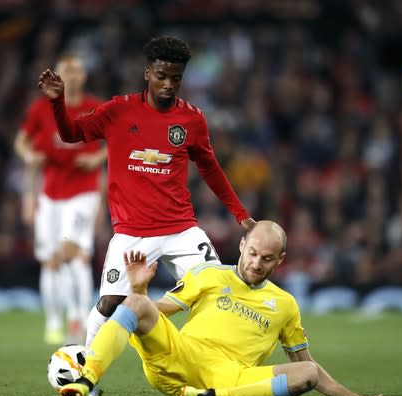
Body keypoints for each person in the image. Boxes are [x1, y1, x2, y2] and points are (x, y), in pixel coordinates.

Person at [38, 36, 254, 367]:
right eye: (162, 77)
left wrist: (240, 214)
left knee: (218, 292)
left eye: (176, 79)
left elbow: (211, 169)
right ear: (147, 73)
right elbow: (71, 135)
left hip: (182, 229)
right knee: (110, 303)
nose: (169, 85)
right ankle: (87, 372)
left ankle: (218, 363)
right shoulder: (118, 111)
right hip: (132, 232)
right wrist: (58, 102)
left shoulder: (192, 120)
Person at [58, 221, 402, 396]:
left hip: (232, 378)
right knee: (134, 305)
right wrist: (139, 290)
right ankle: (87, 379)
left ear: (279, 260)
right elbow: (155, 312)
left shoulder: (285, 304)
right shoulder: (208, 274)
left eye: (267, 258)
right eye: (252, 252)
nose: (256, 263)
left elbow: (306, 363)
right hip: (180, 358)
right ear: (242, 245)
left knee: (307, 373)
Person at [16, 54, 106, 345]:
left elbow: (119, 142)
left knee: (77, 255)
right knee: (50, 261)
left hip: (83, 193)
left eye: (77, 71)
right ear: (59, 76)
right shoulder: (41, 109)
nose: (73, 75)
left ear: (84, 76)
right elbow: (23, 143)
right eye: (67, 70)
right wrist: (29, 191)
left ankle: (78, 316)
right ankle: (53, 321)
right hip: (50, 196)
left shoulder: (94, 108)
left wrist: (97, 159)